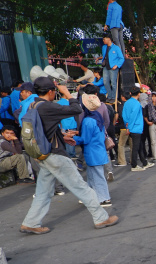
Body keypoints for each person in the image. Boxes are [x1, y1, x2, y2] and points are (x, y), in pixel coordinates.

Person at [20, 77, 118, 234]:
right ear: (51, 92)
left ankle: (31, 222)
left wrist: (61, 135)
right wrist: (68, 93)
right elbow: (76, 109)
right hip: (55, 155)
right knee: (80, 186)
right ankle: (101, 217)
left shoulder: (33, 105)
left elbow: (45, 129)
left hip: (42, 154)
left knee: (43, 192)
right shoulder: (47, 106)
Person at [72, 94, 112, 206]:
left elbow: (85, 139)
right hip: (99, 150)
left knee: (96, 177)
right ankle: (91, 196)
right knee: (93, 176)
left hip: (93, 153)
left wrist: (73, 137)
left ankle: (104, 198)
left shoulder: (87, 121)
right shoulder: (97, 117)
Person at [122, 87, 152, 171]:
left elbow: (124, 115)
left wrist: (127, 126)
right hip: (136, 127)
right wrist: (129, 128)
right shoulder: (137, 104)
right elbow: (133, 116)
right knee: (136, 147)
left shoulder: (127, 103)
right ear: (139, 94)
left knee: (139, 146)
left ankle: (144, 162)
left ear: (130, 93)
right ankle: (134, 165)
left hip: (131, 127)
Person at [100, 34, 125, 103]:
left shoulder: (116, 48)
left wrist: (117, 65)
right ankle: (110, 96)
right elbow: (105, 56)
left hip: (113, 67)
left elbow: (121, 58)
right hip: (106, 67)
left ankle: (114, 97)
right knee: (105, 82)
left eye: (104, 39)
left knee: (113, 83)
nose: (103, 40)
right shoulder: (104, 47)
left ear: (109, 39)